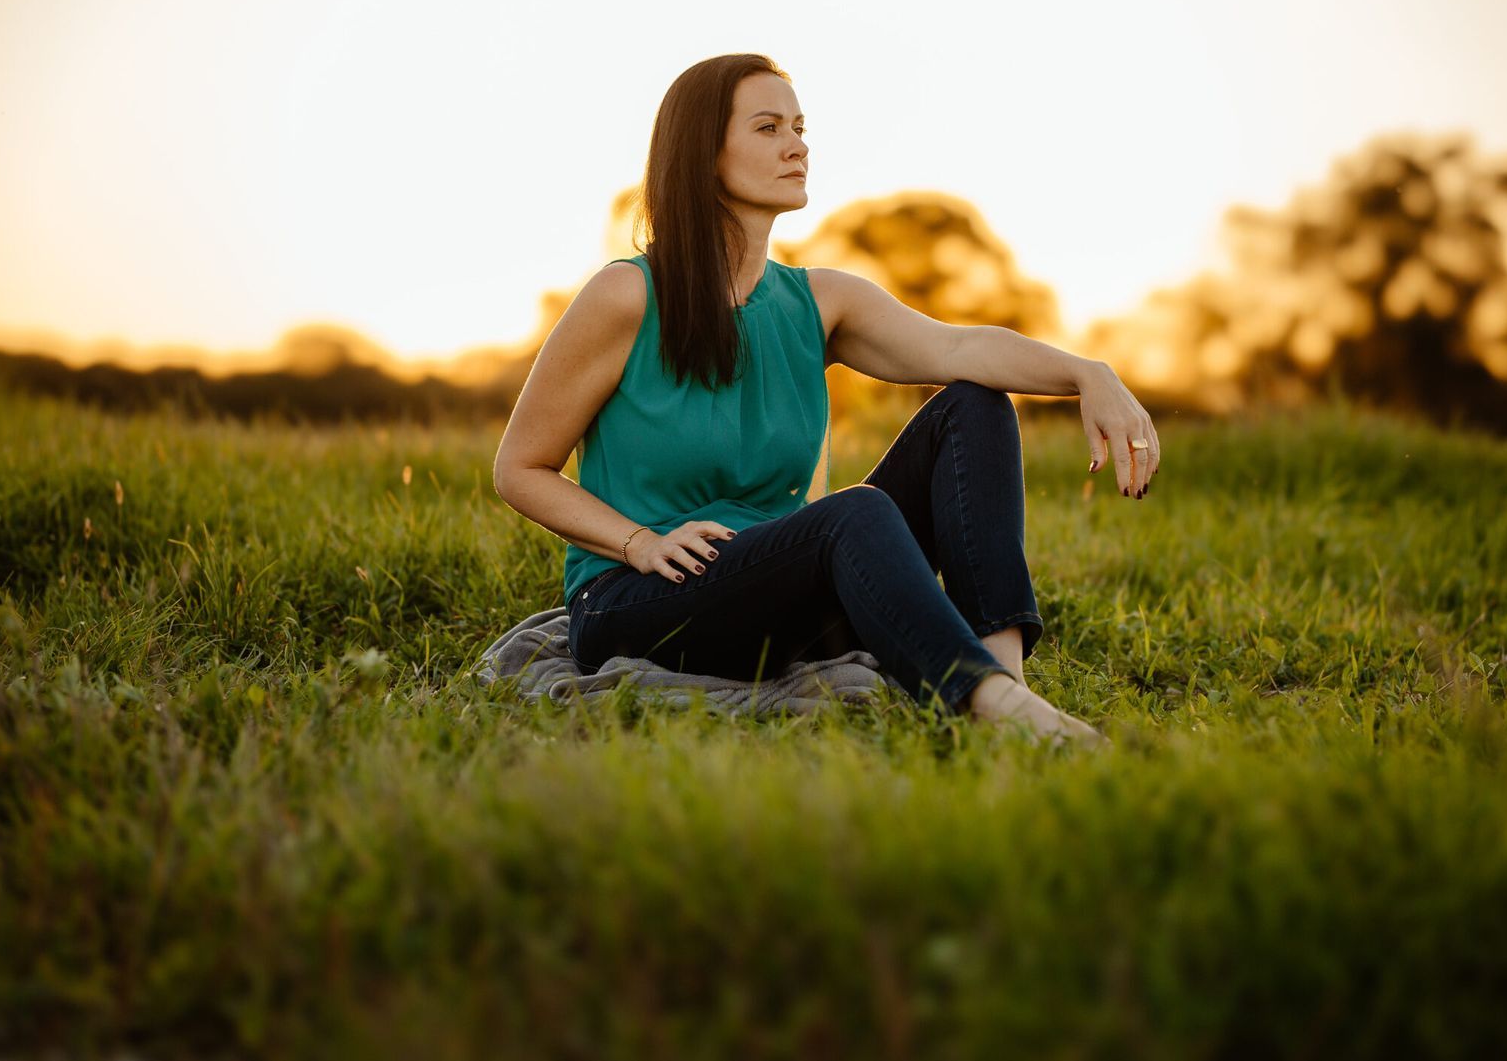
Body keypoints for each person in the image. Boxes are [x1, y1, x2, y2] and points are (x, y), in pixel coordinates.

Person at [492, 54, 1159, 746]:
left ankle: (1002, 687)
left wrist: (1089, 374)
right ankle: (987, 701)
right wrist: (639, 544)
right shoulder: (627, 296)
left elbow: (960, 348)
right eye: (768, 127)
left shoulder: (817, 301)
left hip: (776, 587)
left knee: (975, 406)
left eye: (800, 127)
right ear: (703, 153)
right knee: (853, 511)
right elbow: (520, 468)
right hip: (641, 598)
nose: (797, 146)